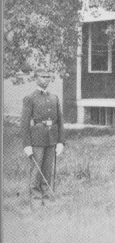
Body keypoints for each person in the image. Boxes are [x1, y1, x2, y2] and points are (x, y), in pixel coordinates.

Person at [21, 68, 64, 203]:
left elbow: (60, 121)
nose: (46, 79)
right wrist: (27, 144)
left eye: (48, 77)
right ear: (36, 79)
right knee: (36, 170)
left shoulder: (54, 97)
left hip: (51, 139)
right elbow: (25, 123)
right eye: (42, 76)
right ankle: (36, 199)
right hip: (37, 139)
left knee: (47, 170)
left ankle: (47, 197)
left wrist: (60, 141)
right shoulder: (30, 98)